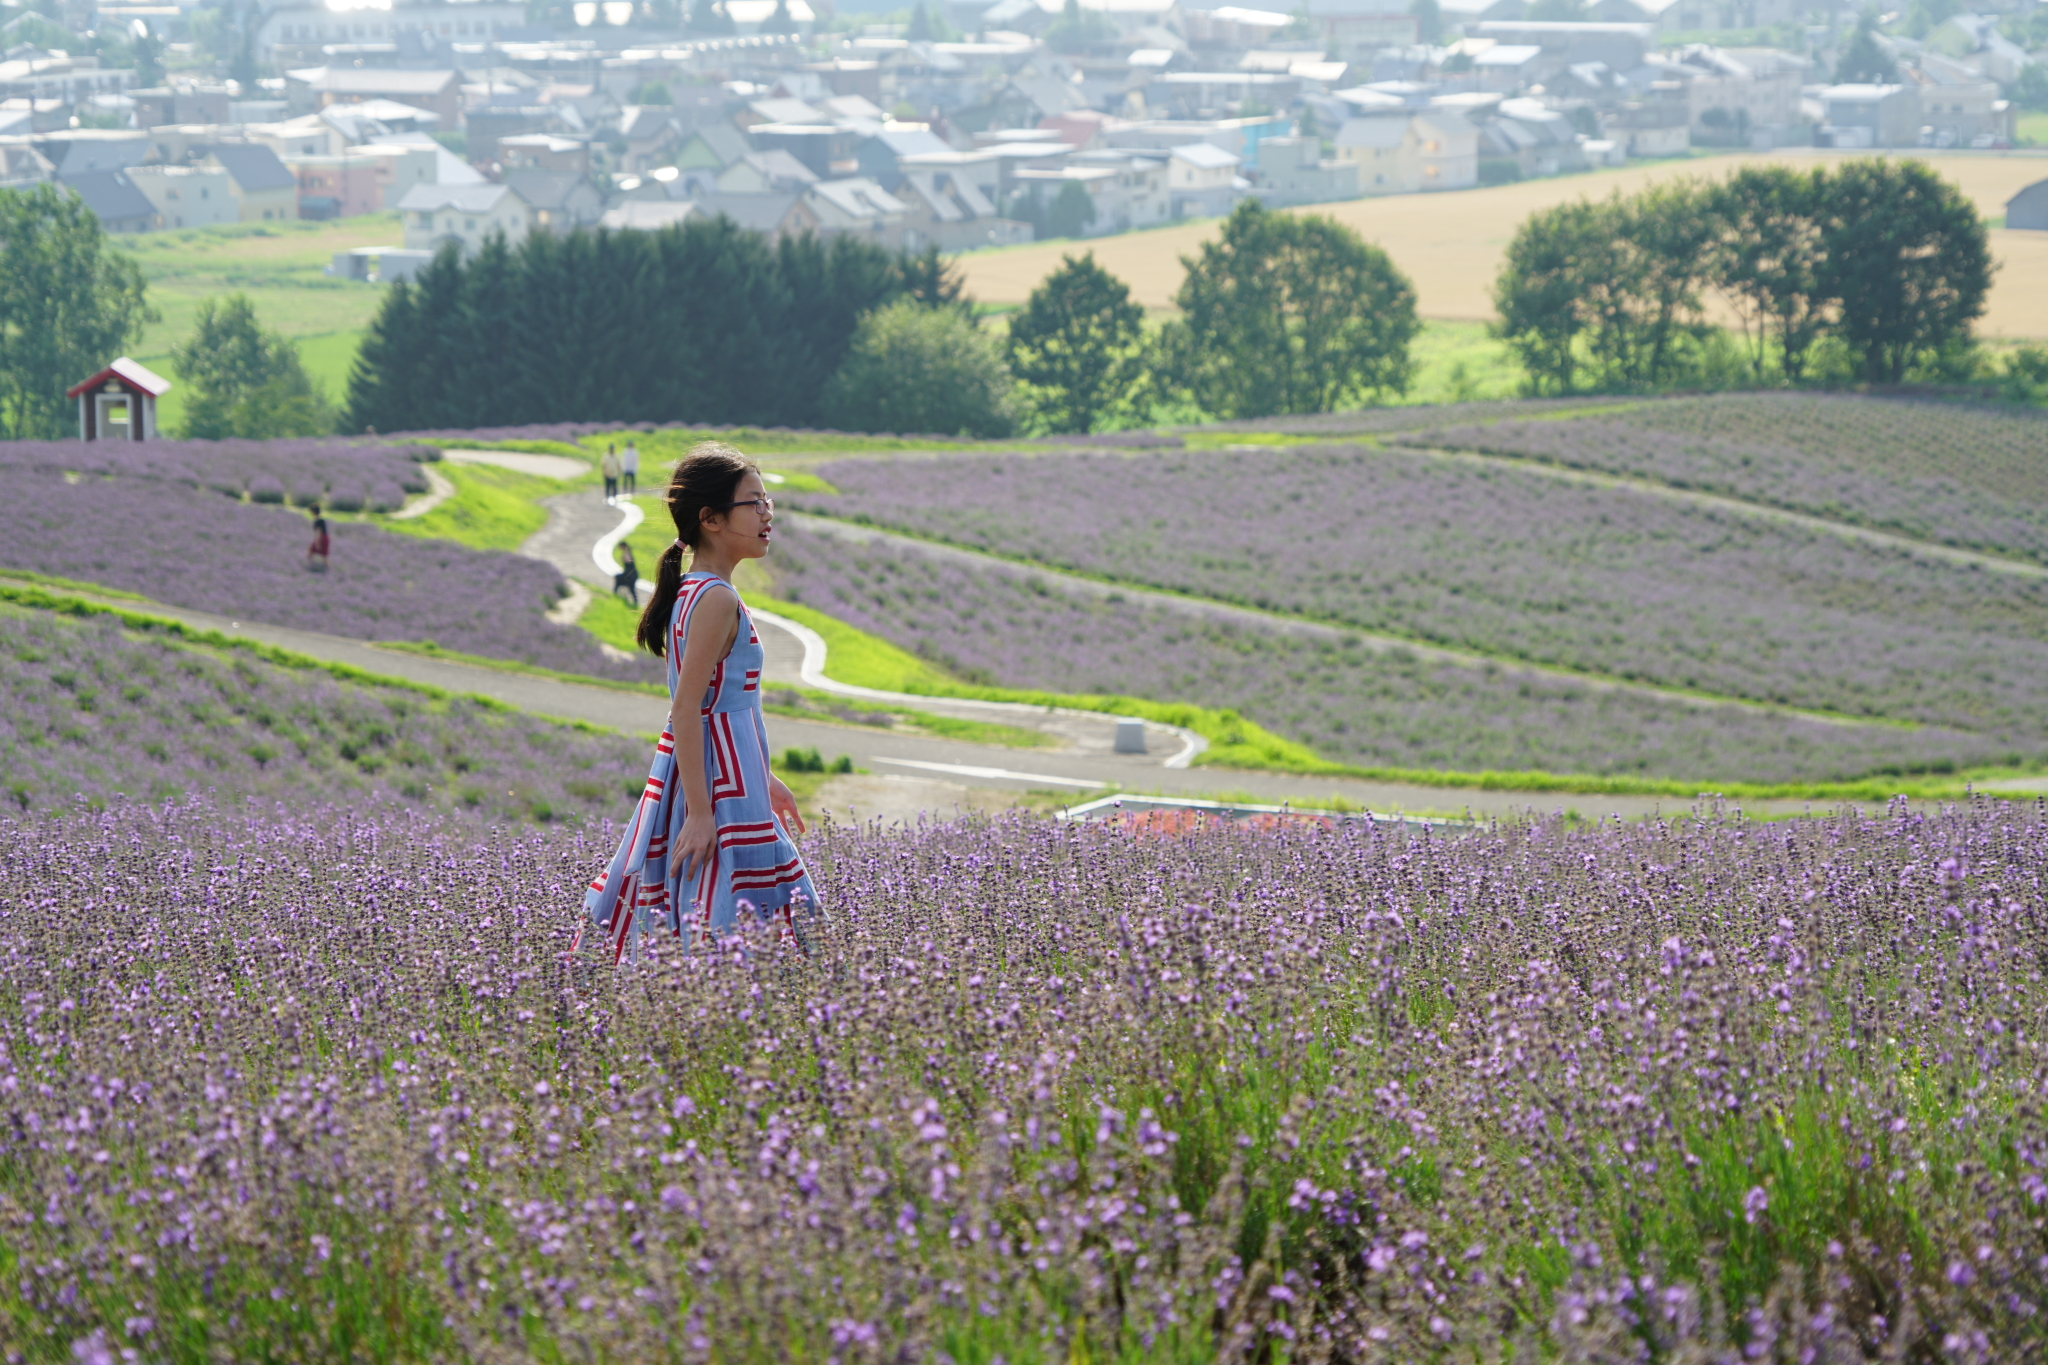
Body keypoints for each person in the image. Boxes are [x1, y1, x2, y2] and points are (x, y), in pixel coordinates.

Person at [579, 443, 817, 962]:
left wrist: (764, 777)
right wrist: (704, 813)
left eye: (767, 500)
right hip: (717, 792)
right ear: (710, 519)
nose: (766, 514)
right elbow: (687, 709)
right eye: (752, 503)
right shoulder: (716, 598)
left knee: (716, 915)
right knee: (732, 922)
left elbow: (716, 704)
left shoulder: (695, 589)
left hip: (726, 779)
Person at [613, 540, 639, 606]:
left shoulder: (627, 553)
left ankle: (615, 596)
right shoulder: (627, 552)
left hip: (630, 575)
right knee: (630, 588)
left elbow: (629, 564)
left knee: (629, 587)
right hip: (630, 574)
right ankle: (616, 596)